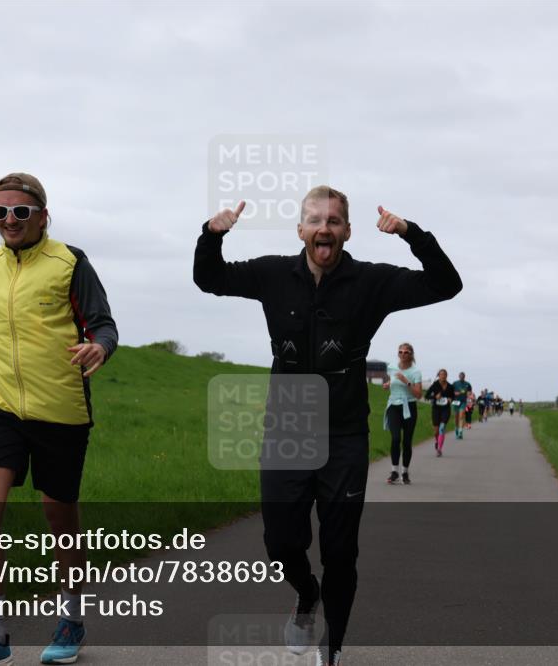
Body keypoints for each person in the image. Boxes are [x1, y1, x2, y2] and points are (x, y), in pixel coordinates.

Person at [193, 186, 461, 666]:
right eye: (315, 220)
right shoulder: (274, 274)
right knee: (280, 544)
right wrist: (211, 236)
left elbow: (446, 284)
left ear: (347, 232)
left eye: (334, 221)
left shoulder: (371, 282)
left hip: (344, 436)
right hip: (288, 429)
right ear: (301, 231)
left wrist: (410, 233)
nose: (325, 228)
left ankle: (332, 645)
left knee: (340, 551)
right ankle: (305, 593)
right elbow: (208, 279)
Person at [0, 173, 118, 666]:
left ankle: (72, 619)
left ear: (42, 214)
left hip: (60, 410)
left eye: (19, 212)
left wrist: (98, 346)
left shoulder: (69, 261)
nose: (9, 221)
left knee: (60, 519)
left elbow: (102, 322)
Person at [382, 342, 422, 485]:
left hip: (409, 406)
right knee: (395, 438)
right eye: (400, 352)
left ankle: (405, 472)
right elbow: (392, 381)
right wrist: (387, 385)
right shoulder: (391, 367)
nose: (403, 354)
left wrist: (406, 382)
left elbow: (418, 395)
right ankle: (394, 471)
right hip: (393, 405)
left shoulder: (415, 372)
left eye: (406, 352)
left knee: (406, 442)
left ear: (411, 354)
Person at [425, 370, 456, 456]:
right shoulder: (435, 385)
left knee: (442, 428)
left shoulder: (450, 386)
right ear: (438, 375)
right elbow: (426, 396)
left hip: (446, 409)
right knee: (436, 431)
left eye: (444, 374)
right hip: (436, 409)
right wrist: (435, 396)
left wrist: (451, 399)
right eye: (441, 374)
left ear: (447, 376)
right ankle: (437, 440)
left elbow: (453, 396)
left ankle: (439, 449)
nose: (443, 376)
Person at [451, 372, 472, 439]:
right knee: (456, 417)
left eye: (463, 376)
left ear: (464, 377)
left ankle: (460, 431)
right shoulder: (455, 383)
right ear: (459, 376)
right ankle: (456, 428)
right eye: (460, 376)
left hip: (463, 402)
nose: (461, 377)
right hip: (455, 401)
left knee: (461, 416)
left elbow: (469, 393)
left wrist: (469, 398)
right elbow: (450, 392)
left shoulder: (467, 384)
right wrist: (454, 393)